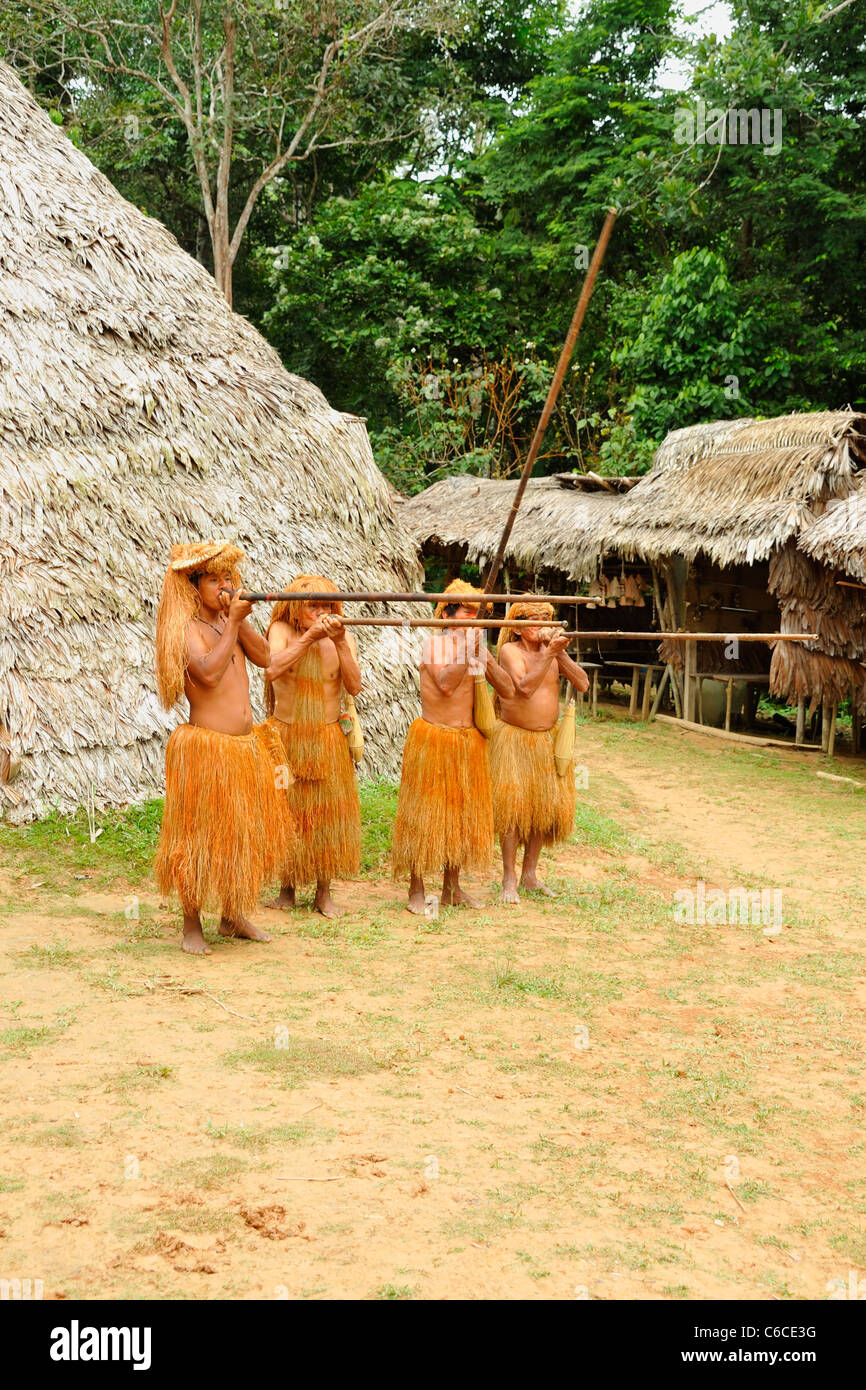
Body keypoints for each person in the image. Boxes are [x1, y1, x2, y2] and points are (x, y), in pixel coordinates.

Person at [153, 541, 292, 954]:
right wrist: (231, 621)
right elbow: (209, 674)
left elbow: (267, 658)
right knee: (196, 837)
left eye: (228, 578)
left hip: (243, 749)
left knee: (240, 835)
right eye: (214, 579)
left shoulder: (225, 622)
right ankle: (191, 924)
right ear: (193, 587)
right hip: (206, 749)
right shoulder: (186, 630)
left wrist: (238, 620)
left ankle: (233, 916)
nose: (224, 585)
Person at [391, 579, 514, 913]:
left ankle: (452, 888)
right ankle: (416, 888)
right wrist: (467, 649)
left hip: (467, 741)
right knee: (423, 816)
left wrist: (483, 656)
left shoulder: (474, 649)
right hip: (434, 737)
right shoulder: (434, 644)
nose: (473, 620)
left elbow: (508, 689)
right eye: (467, 612)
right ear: (446, 614)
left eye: (478, 614)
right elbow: (445, 684)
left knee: (460, 818)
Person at [263, 575, 362, 918]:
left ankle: (323, 891)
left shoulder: (341, 635)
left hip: (329, 737)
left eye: (326, 606)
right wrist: (309, 638)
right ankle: (286, 889)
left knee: (327, 814)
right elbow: (272, 669)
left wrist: (339, 644)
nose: (320, 612)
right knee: (285, 809)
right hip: (284, 739)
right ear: (295, 607)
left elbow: (355, 685)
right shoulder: (281, 631)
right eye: (312, 606)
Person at [491, 599, 589, 902]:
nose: (539, 626)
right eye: (532, 620)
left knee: (541, 810)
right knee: (513, 810)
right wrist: (549, 654)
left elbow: (582, 683)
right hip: (515, 740)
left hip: (547, 741)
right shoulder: (511, 651)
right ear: (518, 628)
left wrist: (560, 655)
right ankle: (508, 877)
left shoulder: (552, 653)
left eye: (544, 619)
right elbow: (524, 688)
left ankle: (530, 875)